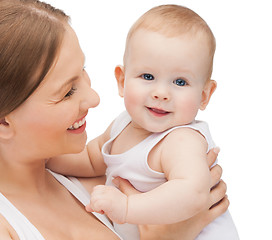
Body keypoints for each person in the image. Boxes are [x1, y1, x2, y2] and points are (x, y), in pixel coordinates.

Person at [0, 1, 229, 239]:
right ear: (1, 121)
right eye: (68, 92)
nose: (94, 99)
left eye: (83, 71)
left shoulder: (105, 182)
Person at [47, 4, 239, 240]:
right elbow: (90, 159)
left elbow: (194, 192)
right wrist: (47, 157)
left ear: (204, 95)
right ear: (122, 80)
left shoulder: (182, 139)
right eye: (148, 76)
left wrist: (128, 207)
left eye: (180, 82)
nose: (161, 93)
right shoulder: (123, 125)